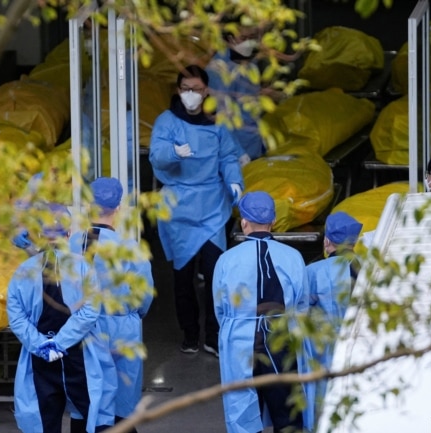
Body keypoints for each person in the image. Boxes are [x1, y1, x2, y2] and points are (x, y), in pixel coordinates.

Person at [149, 64, 244, 355]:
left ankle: (213, 336)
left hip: (213, 205)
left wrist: (235, 181)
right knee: (182, 278)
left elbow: (228, 156)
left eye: (197, 90)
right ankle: (190, 333)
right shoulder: (167, 121)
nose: (191, 95)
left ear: (207, 92)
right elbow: (156, 155)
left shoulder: (217, 122)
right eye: (186, 89)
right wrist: (172, 152)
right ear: (179, 91)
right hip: (179, 208)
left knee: (216, 276)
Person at [7, 203, 114, 433]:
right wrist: (62, 342)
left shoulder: (22, 272)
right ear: (68, 234)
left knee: (45, 418)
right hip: (79, 355)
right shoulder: (83, 268)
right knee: (90, 415)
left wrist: (42, 345)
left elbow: (16, 317)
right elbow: (89, 311)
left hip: (40, 360)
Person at [212, 191, 310, 433]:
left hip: (240, 340)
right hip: (282, 339)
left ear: (243, 222)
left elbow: (220, 308)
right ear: (273, 221)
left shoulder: (226, 260)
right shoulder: (294, 257)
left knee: (241, 407)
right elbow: (302, 305)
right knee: (287, 407)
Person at [69, 177, 154, 432]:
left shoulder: (71, 245)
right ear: (118, 209)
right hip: (121, 331)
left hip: (80, 330)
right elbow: (143, 298)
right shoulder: (132, 250)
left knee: (83, 401)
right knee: (122, 403)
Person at [304, 211, 363, 426]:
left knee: (323, 403)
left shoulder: (314, 271)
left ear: (328, 240)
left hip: (323, 350)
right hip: (360, 347)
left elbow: (301, 310)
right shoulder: (367, 267)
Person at [205, 24, 266, 165]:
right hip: (233, 153)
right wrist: (239, 153)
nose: (248, 43)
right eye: (243, 38)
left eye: (252, 38)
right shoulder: (218, 70)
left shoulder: (249, 63)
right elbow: (220, 118)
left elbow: (252, 107)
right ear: (230, 39)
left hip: (252, 146)